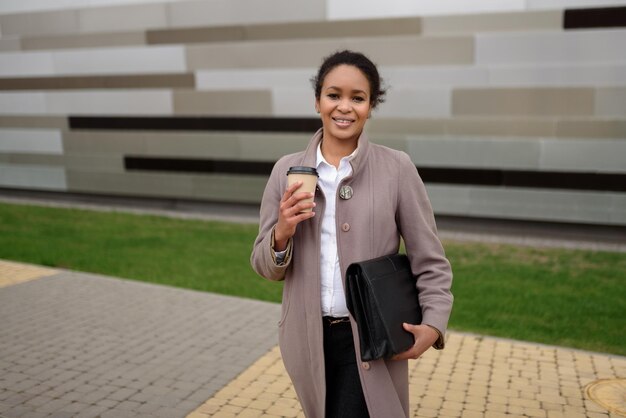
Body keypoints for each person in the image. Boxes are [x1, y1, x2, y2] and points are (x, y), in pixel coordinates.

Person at [250, 50, 453, 418]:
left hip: (372, 338)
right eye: (333, 95)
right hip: (308, 340)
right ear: (317, 101)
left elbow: (430, 260)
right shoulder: (286, 171)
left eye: (357, 98)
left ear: (371, 106)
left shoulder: (397, 168)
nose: (344, 107)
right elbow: (266, 267)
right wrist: (283, 231)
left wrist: (434, 323)